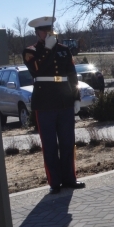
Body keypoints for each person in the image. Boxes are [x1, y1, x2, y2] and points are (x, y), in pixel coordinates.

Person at [23, 16, 85, 194]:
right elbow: (36, 70)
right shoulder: (30, 51)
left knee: (67, 142)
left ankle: (70, 178)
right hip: (45, 103)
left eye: (49, 30)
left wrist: (76, 97)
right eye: (44, 31)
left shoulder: (64, 50)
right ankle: (55, 182)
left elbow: (72, 75)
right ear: (37, 33)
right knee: (49, 145)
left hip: (65, 101)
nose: (48, 33)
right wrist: (47, 49)